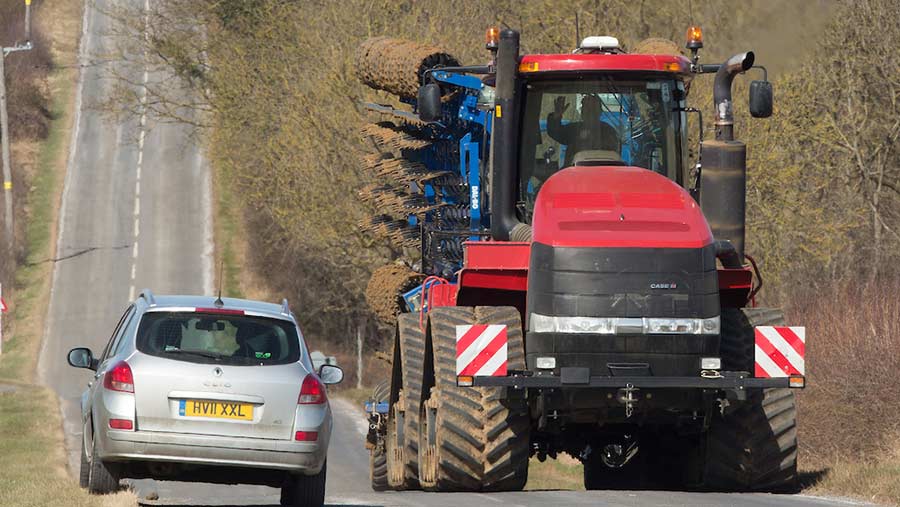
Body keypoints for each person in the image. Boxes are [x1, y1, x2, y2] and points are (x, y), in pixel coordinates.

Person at [546, 95, 620, 167]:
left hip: (602, 174)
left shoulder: (608, 131)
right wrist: (556, 116)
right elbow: (555, 132)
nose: (588, 112)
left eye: (592, 109)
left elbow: (612, 157)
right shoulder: (574, 129)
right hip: (572, 174)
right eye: (584, 108)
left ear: (599, 111)